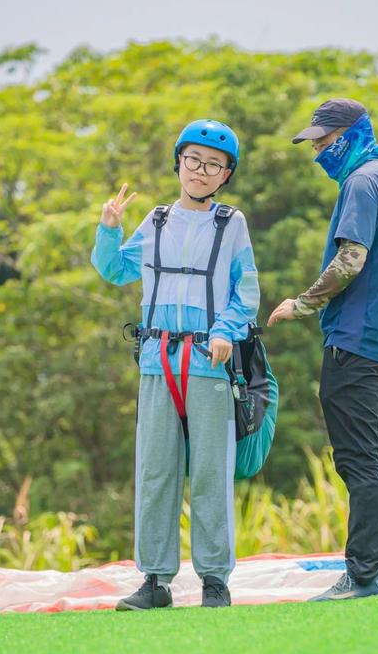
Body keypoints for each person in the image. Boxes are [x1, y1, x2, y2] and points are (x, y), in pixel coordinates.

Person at [91, 119, 260, 609]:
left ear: (226, 174)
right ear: (179, 162)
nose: (201, 171)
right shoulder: (157, 220)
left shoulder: (233, 224)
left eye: (213, 165)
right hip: (157, 359)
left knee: (210, 469)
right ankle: (155, 580)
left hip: (210, 361)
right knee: (156, 469)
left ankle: (214, 579)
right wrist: (109, 228)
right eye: (194, 160)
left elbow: (245, 292)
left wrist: (228, 331)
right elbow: (116, 269)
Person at [268, 98, 378, 600]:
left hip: (353, 342)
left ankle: (362, 575)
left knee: (360, 460)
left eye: (324, 139)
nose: (317, 149)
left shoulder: (361, 182)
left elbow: (351, 259)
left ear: (352, 134)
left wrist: (303, 303)